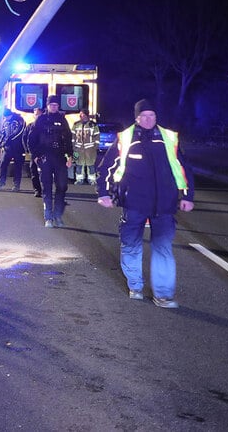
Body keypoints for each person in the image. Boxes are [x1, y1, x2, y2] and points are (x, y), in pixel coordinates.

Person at [97, 99, 195, 308]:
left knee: (163, 249)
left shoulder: (168, 138)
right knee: (131, 246)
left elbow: (183, 168)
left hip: (164, 205)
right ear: (137, 118)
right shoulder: (126, 139)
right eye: (144, 116)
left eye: (152, 115)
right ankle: (135, 286)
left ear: (156, 117)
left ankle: (163, 295)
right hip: (134, 203)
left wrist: (187, 196)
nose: (149, 119)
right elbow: (106, 167)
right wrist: (103, 193)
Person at [27, 95, 72, 227]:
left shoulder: (62, 120)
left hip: (59, 157)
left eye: (56, 105)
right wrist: (35, 156)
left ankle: (58, 215)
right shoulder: (41, 119)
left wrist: (70, 156)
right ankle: (48, 217)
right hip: (45, 157)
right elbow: (31, 139)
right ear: (47, 106)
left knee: (62, 186)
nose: (54, 107)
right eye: (51, 105)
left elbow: (68, 139)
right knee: (47, 188)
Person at [0, 108, 26, 191]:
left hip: (18, 148)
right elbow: (2, 133)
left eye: (6, 117)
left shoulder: (19, 120)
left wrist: (9, 139)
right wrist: (0, 142)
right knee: (3, 164)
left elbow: (19, 132)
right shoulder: (5, 122)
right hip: (8, 148)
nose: (5, 118)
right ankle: (1, 183)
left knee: (18, 167)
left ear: (10, 115)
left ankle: (16, 185)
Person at [71, 109, 100, 185]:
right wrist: (73, 146)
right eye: (80, 114)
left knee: (90, 165)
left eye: (83, 114)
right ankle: (79, 179)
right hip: (78, 149)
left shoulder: (93, 125)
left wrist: (95, 147)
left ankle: (92, 179)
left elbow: (97, 136)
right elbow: (73, 136)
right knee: (79, 165)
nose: (81, 116)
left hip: (90, 149)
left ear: (87, 115)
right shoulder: (76, 124)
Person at [24, 107, 44, 197]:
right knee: (34, 172)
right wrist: (28, 150)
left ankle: (46, 189)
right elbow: (25, 138)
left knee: (45, 173)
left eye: (39, 114)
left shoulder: (46, 126)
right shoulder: (30, 126)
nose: (37, 116)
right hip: (34, 153)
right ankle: (37, 190)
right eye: (36, 114)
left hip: (44, 153)